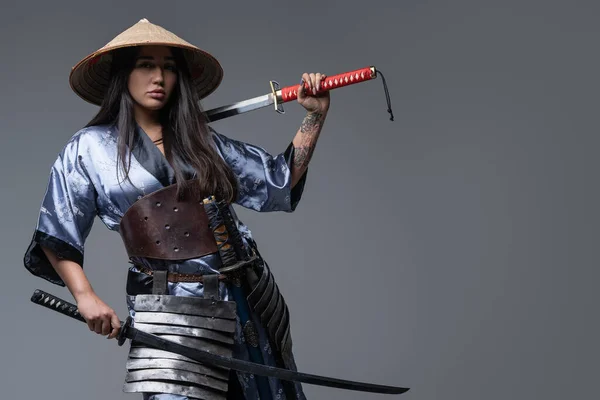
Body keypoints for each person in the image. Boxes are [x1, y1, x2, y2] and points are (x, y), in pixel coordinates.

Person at [23, 18, 330, 400]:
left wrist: (314, 115)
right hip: (171, 310)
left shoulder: (200, 140)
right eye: (146, 65)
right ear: (124, 74)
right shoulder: (88, 148)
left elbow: (277, 183)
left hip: (243, 296)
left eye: (169, 67)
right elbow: (57, 231)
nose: (159, 77)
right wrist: (85, 297)